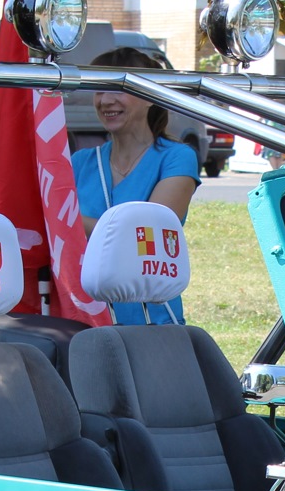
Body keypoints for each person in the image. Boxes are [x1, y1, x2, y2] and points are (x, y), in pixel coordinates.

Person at [70, 47, 200, 326]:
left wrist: (69, 224)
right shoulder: (80, 162)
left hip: (151, 324)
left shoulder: (177, 157)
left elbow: (145, 238)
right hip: (85, 321)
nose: (105, 100)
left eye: (118, 89)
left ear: (150, 96)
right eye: (98, 90)